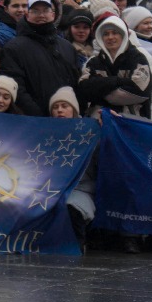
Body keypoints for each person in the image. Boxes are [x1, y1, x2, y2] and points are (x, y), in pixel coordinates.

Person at [2, 0, 79, 117]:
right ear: (27, 15)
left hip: (65, 122)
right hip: (33, 123)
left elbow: (76, 83)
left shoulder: (67, 47)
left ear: (53, 14)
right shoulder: (14, 48)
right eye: (35, 11)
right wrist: (38, 115)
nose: (41, 15)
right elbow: (16, 87)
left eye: (45, 10)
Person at [75, 14, 152, 121]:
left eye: (115, 33)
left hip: (131, 121)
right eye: (106, 34)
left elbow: (141, 91)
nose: (110, 37)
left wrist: (100, 91)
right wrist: (117, 81)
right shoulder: (94, 62)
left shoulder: (138, 59)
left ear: (123, 35)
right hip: (99, 121)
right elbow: (83, 89)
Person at [49, 86, 96, 247]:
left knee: (72, 208)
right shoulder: (45, 134)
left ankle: (75, 248)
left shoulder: (90, 133)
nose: (60, 111)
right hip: (49, 188)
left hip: (81, 189)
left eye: (64, 106)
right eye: (55, 107)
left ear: (74, 110)